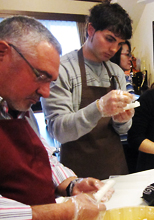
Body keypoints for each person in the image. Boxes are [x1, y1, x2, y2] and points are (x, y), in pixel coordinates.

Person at [0, 15, 113, 220]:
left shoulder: (16, 105)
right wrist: (63, 211)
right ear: (2, 52)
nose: (45, 93)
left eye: (50, 82)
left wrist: (71, 185)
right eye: (40, 76)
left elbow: (42, 156)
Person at [41, 1, 135, 179]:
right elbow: (58, 131)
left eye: (119, 43)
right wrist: (99, 107)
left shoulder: (116, 73)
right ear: (90, 30)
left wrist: (123, 120)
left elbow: (123, 130)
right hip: (78, 171)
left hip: (115, 167)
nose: (114, 49)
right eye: (109, 39)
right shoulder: (63, 70)